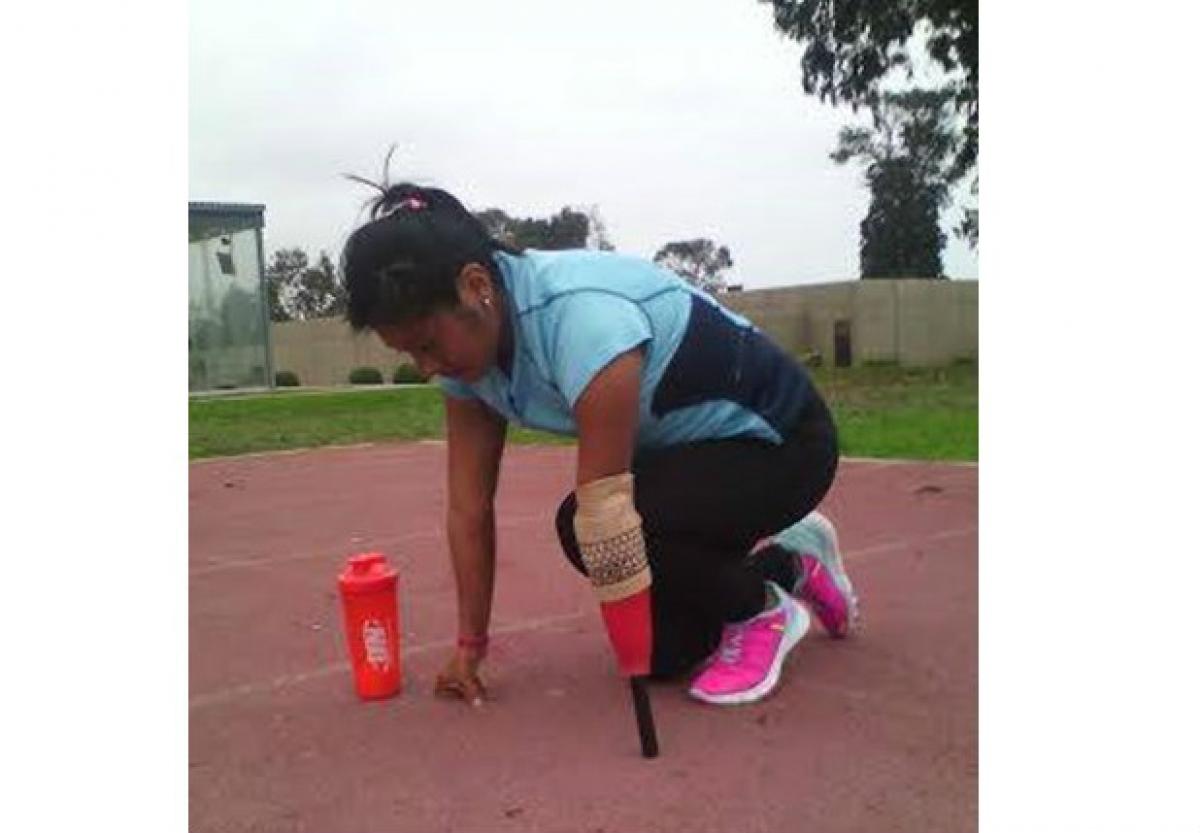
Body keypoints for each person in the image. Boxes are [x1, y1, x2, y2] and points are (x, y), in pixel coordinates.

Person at [340, 180, 859, 708]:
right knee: (666, 654)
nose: (427, 369)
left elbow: (606, 511)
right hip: (689, 467)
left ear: (476, 286)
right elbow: (468, 508)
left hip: (784, 447)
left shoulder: (583, 320)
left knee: (584, 525)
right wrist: (470, 648)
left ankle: (762, 610)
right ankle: (790, 563)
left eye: (428, 345)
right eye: (410, 354)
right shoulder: (467, 363)